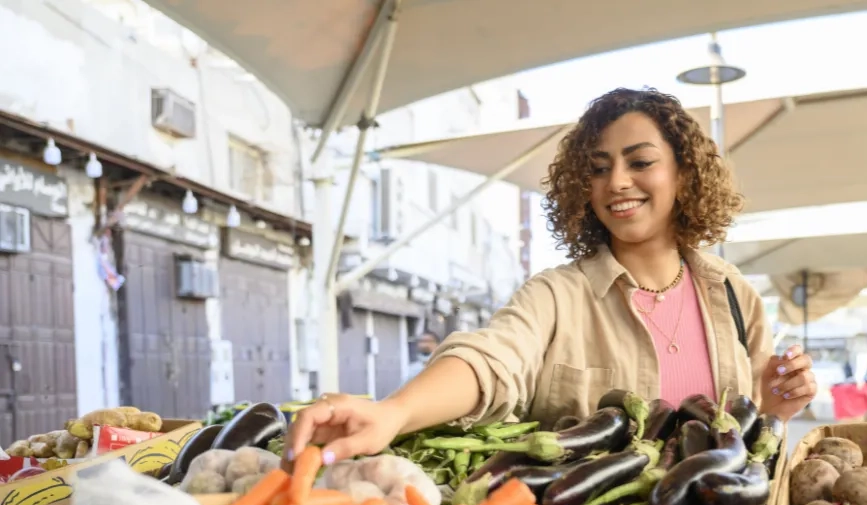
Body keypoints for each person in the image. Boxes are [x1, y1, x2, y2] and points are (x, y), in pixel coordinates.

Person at [287, 88, 817, 464]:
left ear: (684, 174)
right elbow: (490, 360)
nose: (617, 181)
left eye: (639, 162)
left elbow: (751, 437)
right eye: (598, 168)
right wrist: (395, 412)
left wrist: (777, 408)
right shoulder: (556, 296)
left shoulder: (733, 295)